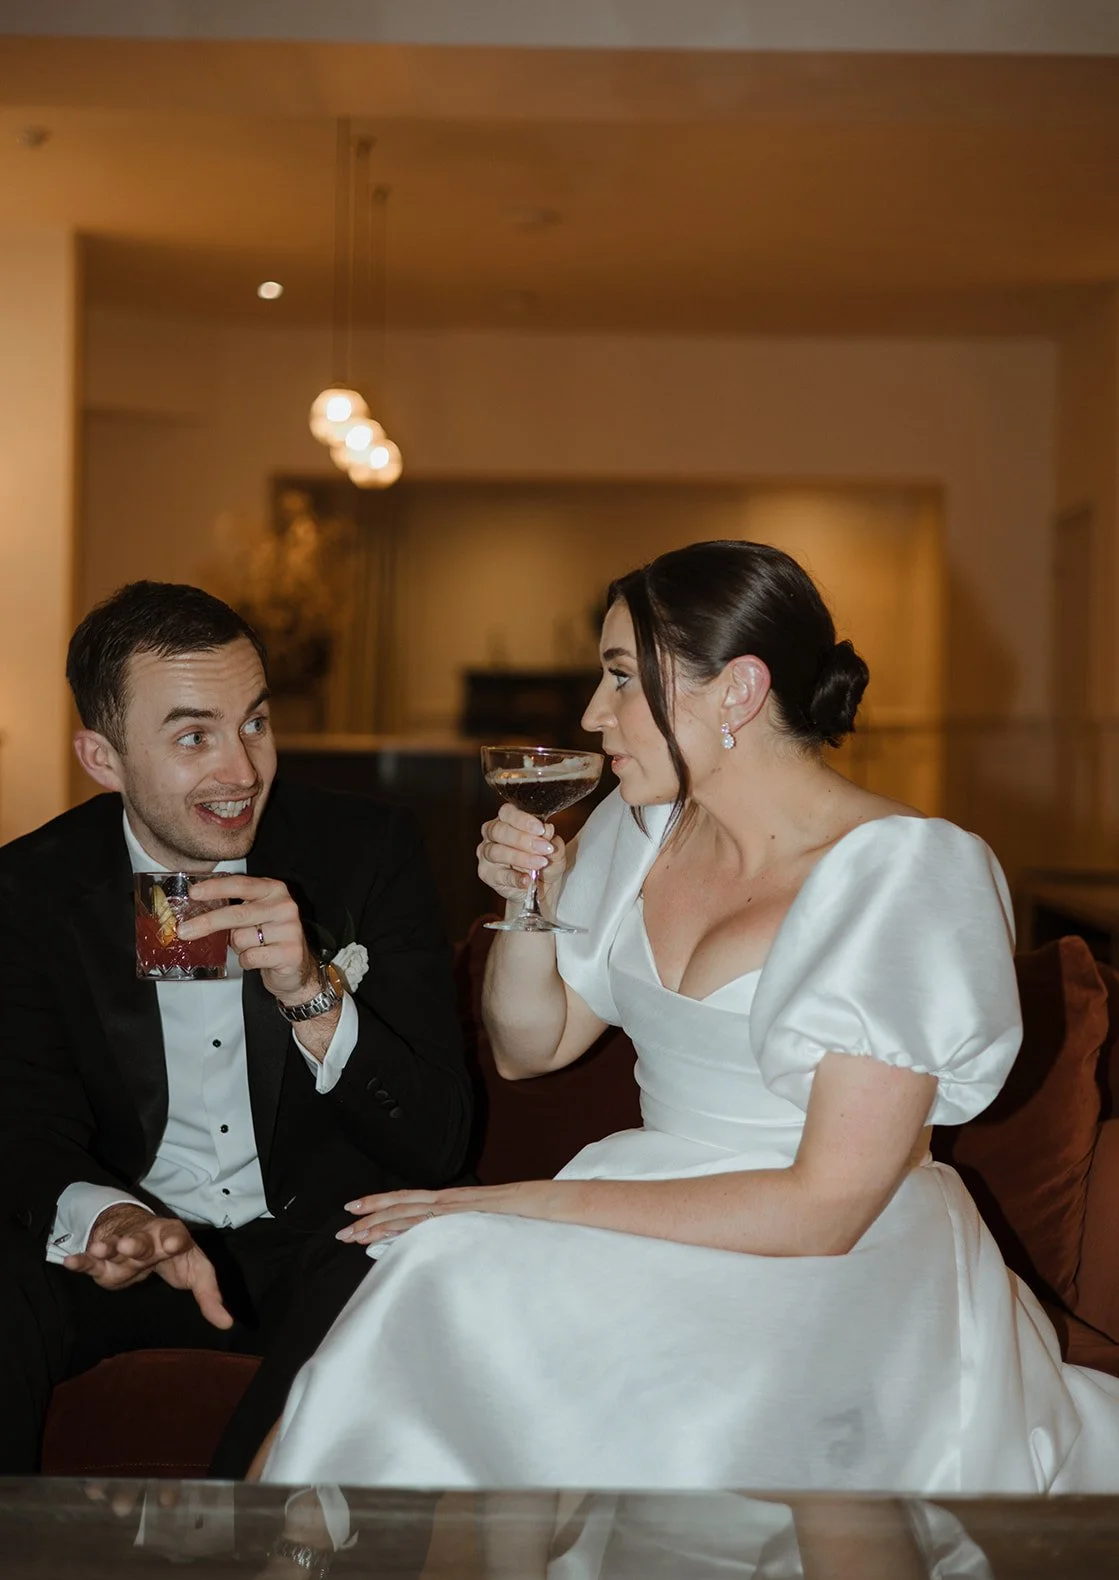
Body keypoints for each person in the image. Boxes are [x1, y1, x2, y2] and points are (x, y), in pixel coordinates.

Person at [258, 540, 1119, 1491]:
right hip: (645, 1197)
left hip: (838, 1254)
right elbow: (528, 1048)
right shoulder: (636, 831)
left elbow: (824, 1209)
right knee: (434, 1276)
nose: (592, 714)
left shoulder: (904, 874)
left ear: (737, 692)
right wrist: (528, 904)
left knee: (469, 1266)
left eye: (622, 677)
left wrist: (515, 1202)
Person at [0, 580, 471, 1475]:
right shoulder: (29, 892)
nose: (242, 769)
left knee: (403, 1269)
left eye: (253, 722)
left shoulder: (366, 852)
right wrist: (109, 1219)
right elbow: (23, 1125)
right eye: (192, 736)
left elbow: (439, 1139)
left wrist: (310, 995)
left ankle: (225, 1559)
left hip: (321, 1250)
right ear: (102, 758)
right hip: (142, 1249)